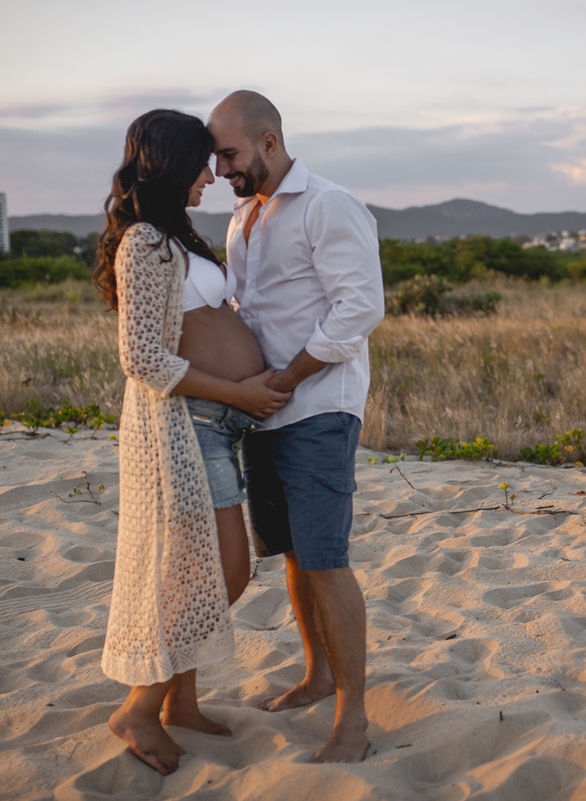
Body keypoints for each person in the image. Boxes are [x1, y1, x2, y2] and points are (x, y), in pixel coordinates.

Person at [93, 109, 290, 775]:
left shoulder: (173, 236)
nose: (213, 174)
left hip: (218, 424)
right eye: (204, 161)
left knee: (193, 572)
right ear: (173, 162)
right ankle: (140, 707)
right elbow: (141, 357)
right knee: (224, 570)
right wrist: (238, 391)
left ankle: (181, 702)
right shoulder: (144, 241)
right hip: (191, 426)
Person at [207, 90, 384, 763]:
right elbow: (246, 307)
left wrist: (286, 379)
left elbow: (359, 308)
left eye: (229, 153)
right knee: (288, 551)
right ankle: (317, 673)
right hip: (262, 411)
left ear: (269, 141)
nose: (221, 168)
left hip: (315, 408)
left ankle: (354, 720)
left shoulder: (328, 204)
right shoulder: (244, 213)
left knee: (325, 558)